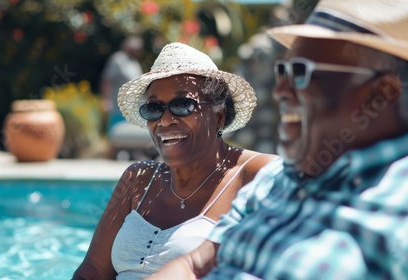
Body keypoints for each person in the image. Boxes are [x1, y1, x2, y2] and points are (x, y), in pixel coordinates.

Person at [147, 0, 408, 279]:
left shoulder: (397, 208)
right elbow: (195, 264)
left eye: (301, 73)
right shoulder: (276, 181)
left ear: (382, 93)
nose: (280, 90)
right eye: (282, 71)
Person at [72, 42, 278, 279]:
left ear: (218, 117)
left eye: (182, 105)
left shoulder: (257, 174)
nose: (165, 120)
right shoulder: (138, 179)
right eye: (154, 107)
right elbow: (93, 270)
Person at [101, 36, 144, 132]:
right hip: (118, 109)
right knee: (116, 136)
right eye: (135, 49)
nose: (138, 52)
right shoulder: (118, 59)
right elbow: (107, 80)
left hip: (132, 110)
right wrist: (106, 101)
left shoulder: (135, 62)